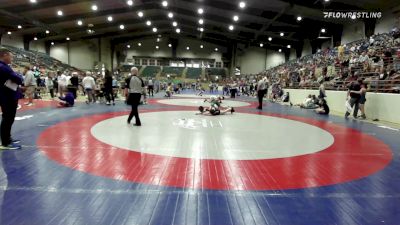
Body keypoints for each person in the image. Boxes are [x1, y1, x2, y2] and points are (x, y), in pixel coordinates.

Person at [0, 48, 23, 150]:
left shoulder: (5, 67)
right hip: (7, 96)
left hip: (7, 95)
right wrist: (18, 77)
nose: (12, 58)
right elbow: (18, 79)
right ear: (4, 55)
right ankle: (5, 142)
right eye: (10, 56)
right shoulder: (3, 67)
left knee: (8, 118)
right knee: (8, 118)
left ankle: (8, 139)